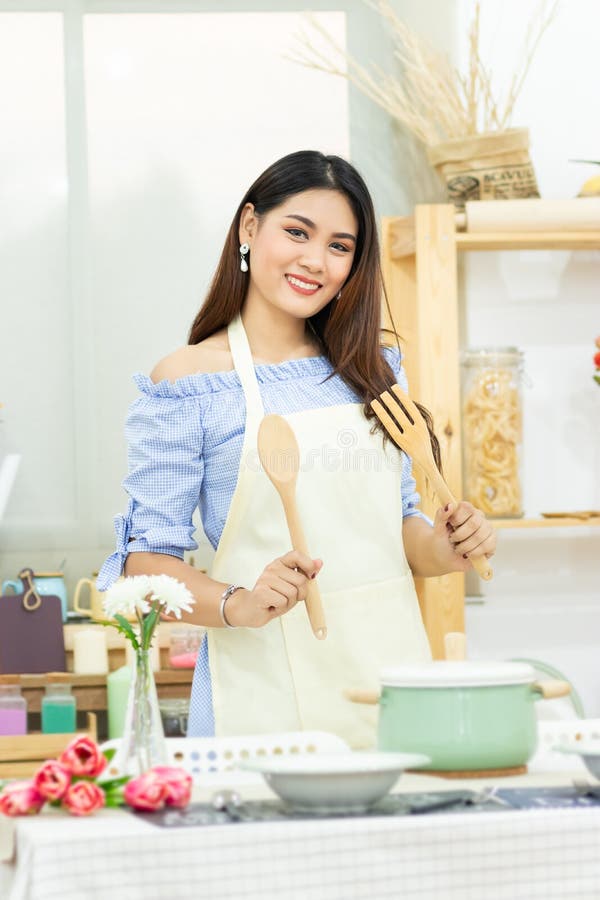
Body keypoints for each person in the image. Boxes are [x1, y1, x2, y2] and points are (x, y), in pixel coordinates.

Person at [98, 150, 496, 748]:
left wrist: (447, 546)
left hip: (388, 673)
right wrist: (241, 602)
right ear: (250, 227)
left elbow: (403, 532)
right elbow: (145, 566)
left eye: (340, 246)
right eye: (297, 232)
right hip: (261, 686)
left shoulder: (373, 367)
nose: (316, 261)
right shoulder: (188, 383)